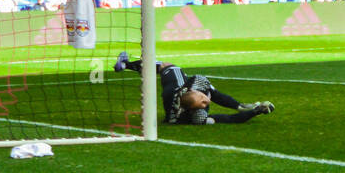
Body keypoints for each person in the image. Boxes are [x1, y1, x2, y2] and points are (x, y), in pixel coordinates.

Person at [113, 53, 273, 124]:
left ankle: (126, 64)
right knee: (165, 66)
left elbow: (216, 96)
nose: (206, 100)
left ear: (192, 90)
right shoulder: (198, 117)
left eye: (202, 98)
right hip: (173, 92)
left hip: (174, 91)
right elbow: (229, 119)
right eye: (203, 103)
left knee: (164, 68)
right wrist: (254, 112)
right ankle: (126, 64)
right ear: (193, 109)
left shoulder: (196, 83)